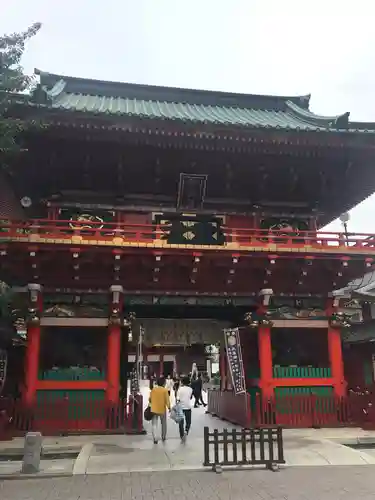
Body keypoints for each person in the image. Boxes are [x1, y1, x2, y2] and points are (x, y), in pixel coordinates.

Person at [149, 377, 170, 444]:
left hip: (154, 409)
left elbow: (150, 399)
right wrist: (169, 407)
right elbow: (167, 401)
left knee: (154, 424)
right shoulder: (165, 390)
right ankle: (163, 437)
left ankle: (155, 438)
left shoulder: (153, 390)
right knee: (163, 423)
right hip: (162, 409)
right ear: (164, 383)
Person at [176, 376, 193, 442]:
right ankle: (186, 431)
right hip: (188, 407)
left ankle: (182, 435)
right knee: (188, 421)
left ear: (182, 382)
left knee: (181, 423)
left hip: (181, 407)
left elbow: (177, 398)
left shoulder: (180, 389)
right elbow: (190, 397)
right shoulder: (190, 389)